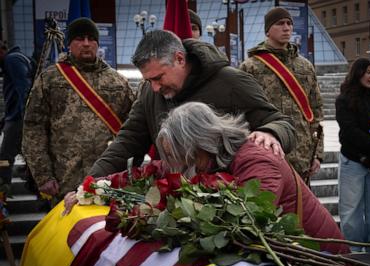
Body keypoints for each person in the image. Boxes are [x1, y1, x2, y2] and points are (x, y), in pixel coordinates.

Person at [89, 30, 296, 178]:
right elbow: (127, 142)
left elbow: (282, 123)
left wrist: (271, 132)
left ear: (179, 59)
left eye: (159, 78)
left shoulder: (231, 82)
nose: (154, 88)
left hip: (231, 204)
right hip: (179, 204)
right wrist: (91, 183)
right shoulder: (150, 93)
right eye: (148, 80)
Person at [156, 102, 349, 255]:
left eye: (181, 155)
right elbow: (164, 169)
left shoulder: (257, 161)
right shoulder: (218, 158)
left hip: (323, 259)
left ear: (200, 144)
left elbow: (247, 225)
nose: (180, 164)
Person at [22, 18, 135, 203]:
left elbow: (133, 129)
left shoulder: (118, 82)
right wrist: (43, 175)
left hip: (107, 181)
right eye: (79, 39)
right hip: (64, 180)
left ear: (97, 43)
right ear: (69, 44)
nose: (86, 44)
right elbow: (33, 128)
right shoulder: (50, 80)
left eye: (91, 39)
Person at [239, 7, 323, 180]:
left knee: (301, 206)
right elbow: (241, 113)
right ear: (268, 30)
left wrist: (317, 154)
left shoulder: (305, 66)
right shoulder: (251, 67)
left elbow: (316, 112)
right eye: (280, 24)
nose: (287, 28)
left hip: (302, 155)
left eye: (289, 24)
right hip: (268, 152)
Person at [336, 58, 370, 252]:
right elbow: (349, 131)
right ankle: (354, 252)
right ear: (358, 73)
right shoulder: (344, 99)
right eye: (368, 72)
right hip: (353, 160)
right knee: (351, 211)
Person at [0, 41, 33, 186]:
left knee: (4, 157)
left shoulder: (12, 59)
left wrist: (25, 117)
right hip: (16, 117)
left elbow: (24, 88)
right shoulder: (17, 57)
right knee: (29, 155)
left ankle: (2, 192)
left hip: (18, 119)